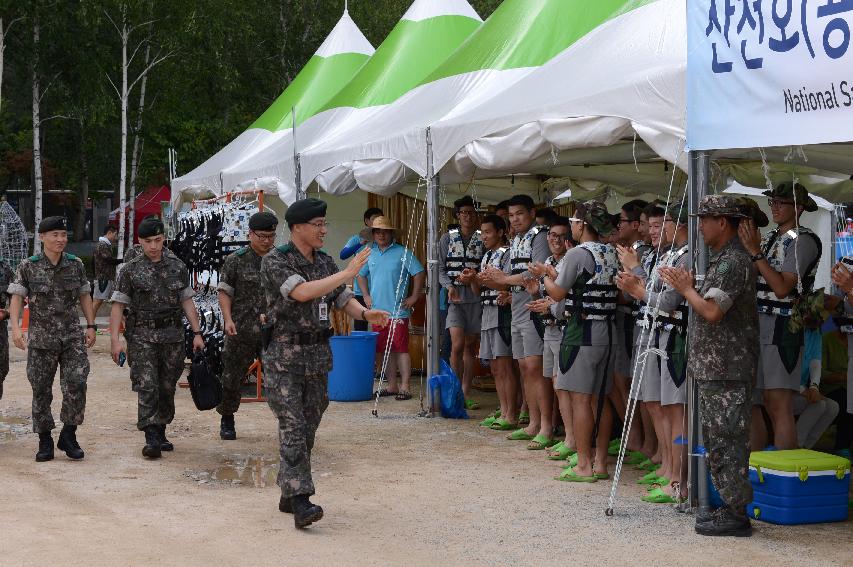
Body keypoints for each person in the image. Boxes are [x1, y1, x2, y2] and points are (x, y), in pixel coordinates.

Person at [259, 198, 389, 528]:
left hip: (317, 357)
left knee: (309, 426)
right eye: (317, 224)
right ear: (298, 228)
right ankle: (302, 500)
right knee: (293, 426)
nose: (323, 230)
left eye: (324, 224)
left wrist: (364, 313)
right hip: (284, 358)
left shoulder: (325, 261)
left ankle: (289, 491)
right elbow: (301, 292)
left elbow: (340, 297)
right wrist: (346, 273)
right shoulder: (277, 261)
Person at [659, 194, 757, 537]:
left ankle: (736, 512)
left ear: (723, 223)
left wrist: (685, 289)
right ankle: (729, 507)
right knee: (717, 439)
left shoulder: (733, 262)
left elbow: (713, 312)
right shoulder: (721, 260)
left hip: (728, 368)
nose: (699, 226)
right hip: (716, 367)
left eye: (705, 219)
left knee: (728, 439)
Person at [109, 216, 205, 459]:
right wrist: (115, 340)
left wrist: (197, 333)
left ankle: (161, 428)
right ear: (139, 241)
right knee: (147, 384)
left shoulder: (177, 266)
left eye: (158, 240)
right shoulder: (130, 270)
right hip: (142, 335)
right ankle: (151, 435)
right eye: (148, 241)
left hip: (172, 335)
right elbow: (118, 306)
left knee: (167, 385)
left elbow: (186, 301)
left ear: (164, 239)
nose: (153, 246)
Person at [538, 201, 618, 482]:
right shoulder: (611, 252)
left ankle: (583, 464)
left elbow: (558, 293)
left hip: (580, 330)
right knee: (600, 399)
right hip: (608, 330)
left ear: (582, 225)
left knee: (580, 399)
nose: (571, 226)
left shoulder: (577, 254)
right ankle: (600, 463)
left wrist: (545, 277)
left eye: (573, 221)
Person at [7, 216, 97, 462]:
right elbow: (16, 297)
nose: (60, 240)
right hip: (41, 340)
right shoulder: (29, 266)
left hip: (71, 337)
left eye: (64, 235)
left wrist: (91, 325)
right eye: (55, 235)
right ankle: (44, 440)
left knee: (77, 382)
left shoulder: (75, 264)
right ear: (42, 237)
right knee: (41, 390)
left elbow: (84, 295)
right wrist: (15, 328)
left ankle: (69, 434)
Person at [739, 182, 820, 450]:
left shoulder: (803, 240)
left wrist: (755, 252)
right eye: (772, 202)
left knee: (779, 403)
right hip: (759, 323)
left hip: (782, 326)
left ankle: (784, 472)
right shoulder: (774, 235)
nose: (773, 207)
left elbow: (783, 288)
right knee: (753, 400)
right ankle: (757, 466)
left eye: (780, 203)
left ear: (798, 208)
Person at [618, 203, 690, 501]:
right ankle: (671, 470)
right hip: (661, 335)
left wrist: (639, 290)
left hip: (676, 338)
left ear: (681, 224)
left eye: (664, 223)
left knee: (677, 410)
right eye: (654, 225)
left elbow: (670, 301)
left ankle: (678, 478)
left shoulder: (686, 255)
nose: (655, 230)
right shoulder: (670, 253)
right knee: (665, 406)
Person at [479, 194, 552, 449]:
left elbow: (536, 271)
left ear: (532, 213)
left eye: (520, 213)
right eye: (511, 215)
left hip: (535, 307)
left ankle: (546, 426)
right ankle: (533, 423)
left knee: (535, 367)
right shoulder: (518, 240)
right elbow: (510, 277)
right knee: (524, 367)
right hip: (518, 307)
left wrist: (504, 280)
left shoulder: (539, 236)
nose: (515, 219)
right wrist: (490, 281)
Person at [216, 211, 278, 440]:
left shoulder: (280, 260)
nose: (266, 241)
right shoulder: (236, 260)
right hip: (240, 329)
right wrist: (227, 319)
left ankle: (287, 424)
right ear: (250, 234)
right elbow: (224, 292)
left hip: (272, 331)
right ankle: (227, 418)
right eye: (262, 236)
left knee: (279, 378)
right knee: (232, 377)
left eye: (271, 236)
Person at [358, 216, 425, 400]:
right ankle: (393, 386)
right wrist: (365, 295)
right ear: (373, 234)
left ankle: (405, 386)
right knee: (383, 350)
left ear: (391, 234)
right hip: (377, 311)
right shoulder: (369, 252)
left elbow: (419, 272)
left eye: (385, 231)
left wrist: (414, 296)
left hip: (398, 311)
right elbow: (360, 275)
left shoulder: (403, 252)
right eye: (378, 231)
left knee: (400, 348)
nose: (381, 234)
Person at [525, 217, 575, 460]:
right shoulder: (547, 261)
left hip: (565, 327)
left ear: (568, 240)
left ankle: (572, 438)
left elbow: (564, 295)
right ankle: (565, 435)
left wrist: (547, 281)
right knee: (556, 384)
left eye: (559, 236)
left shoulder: (569, 260)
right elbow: (548, 293)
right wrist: (536, 294)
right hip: (550, 328)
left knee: (564, 386)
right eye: (551, 236)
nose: (554, 240)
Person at [469, 214, 515, 429]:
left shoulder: (507, 254)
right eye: (482, 233)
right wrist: (473, 280)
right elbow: (479, 291)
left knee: (504, 365)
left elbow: (507, 286)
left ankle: (511, 414)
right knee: (495, 367)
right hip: (487, 311)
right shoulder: (487, 256)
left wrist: (487, 280)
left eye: (488, 232)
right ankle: (504, 410)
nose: (484, 236)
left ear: (500, 232)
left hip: (501, 312)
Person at [438, 196, 484, 409]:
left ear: (476, 216)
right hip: (455, 297)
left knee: (470, 345)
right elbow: (439, 269)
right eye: (463, 212)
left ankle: (465, 392)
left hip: (475, 296)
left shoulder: (482, 239)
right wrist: (449, 286)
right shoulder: (447, 238)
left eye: (471, 212)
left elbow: (486, 270)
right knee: (456, 344)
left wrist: (475, 279)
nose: (467, 216)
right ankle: (454, 391)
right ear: (457, 215)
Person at [340, 207, 383, 332]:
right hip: (360, 291)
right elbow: (343, 255)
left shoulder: (383, 239)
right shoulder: (356, 239)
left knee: (380, 327)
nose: (377, 222)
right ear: (366, 221)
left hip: (379, 291)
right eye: (374, 219)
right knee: (361, 328)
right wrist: (361, 243)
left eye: (380, 219)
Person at [92, 224, 121, 315]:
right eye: (115, 234)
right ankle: (90, 324)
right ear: (109, 233)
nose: (116, 237)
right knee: (97, 301)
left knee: (109, 301)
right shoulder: (102, 245)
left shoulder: (105, 244)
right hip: (103, 278)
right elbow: (108, 260)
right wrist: (122, 260)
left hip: (105, 277)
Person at [0, 259, 13, 400]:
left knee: (2, 369)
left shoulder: (4, 267)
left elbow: (16, 296)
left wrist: (7, 312)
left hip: (0, 329)